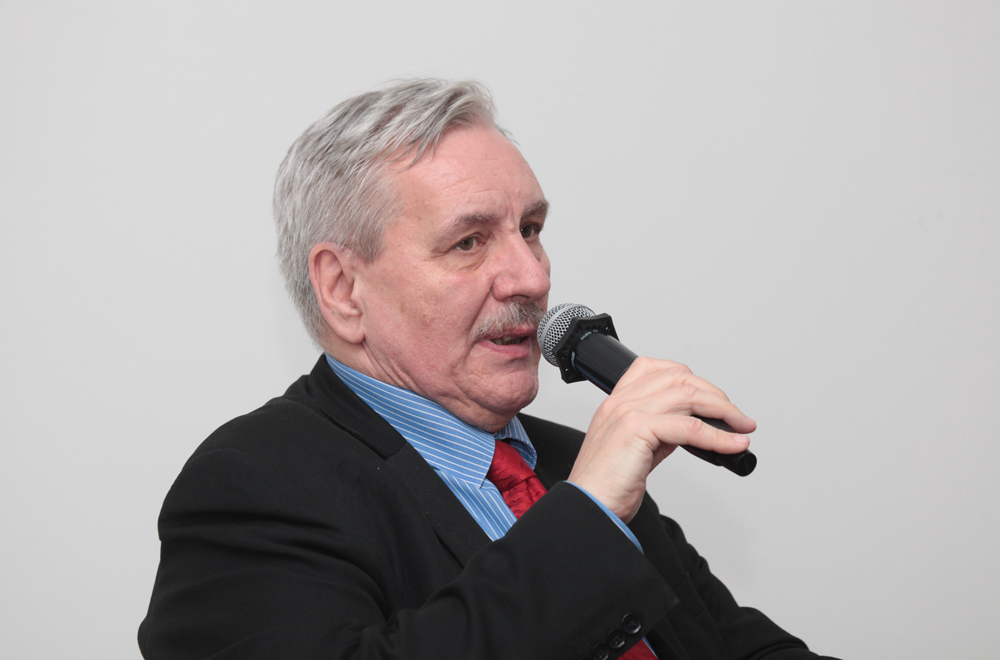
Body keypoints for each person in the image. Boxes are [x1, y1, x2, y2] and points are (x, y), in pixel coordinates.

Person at [139, 78, 838, 660]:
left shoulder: (565, 463)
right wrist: (587, 517)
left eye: (531, 230)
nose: (531, 277)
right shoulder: (253, 483)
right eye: (469, 242)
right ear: (344, 290)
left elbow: (737, 648)